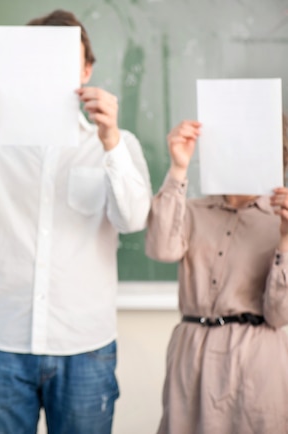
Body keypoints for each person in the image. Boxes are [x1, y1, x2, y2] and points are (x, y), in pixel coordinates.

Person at [0, 9, 152, 433]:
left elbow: (133, 219)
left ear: (86, 68)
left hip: (85, 346)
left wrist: (111, 142)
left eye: (63, 60)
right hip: (1, 341)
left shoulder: (119, 144)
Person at [145, 118, 288, 433]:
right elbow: (161, 250)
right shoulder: (192, 209)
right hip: (193, 352)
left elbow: (279, 316)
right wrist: (178, 169)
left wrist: (286, 240)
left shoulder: (281, 219)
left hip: (255, 356)